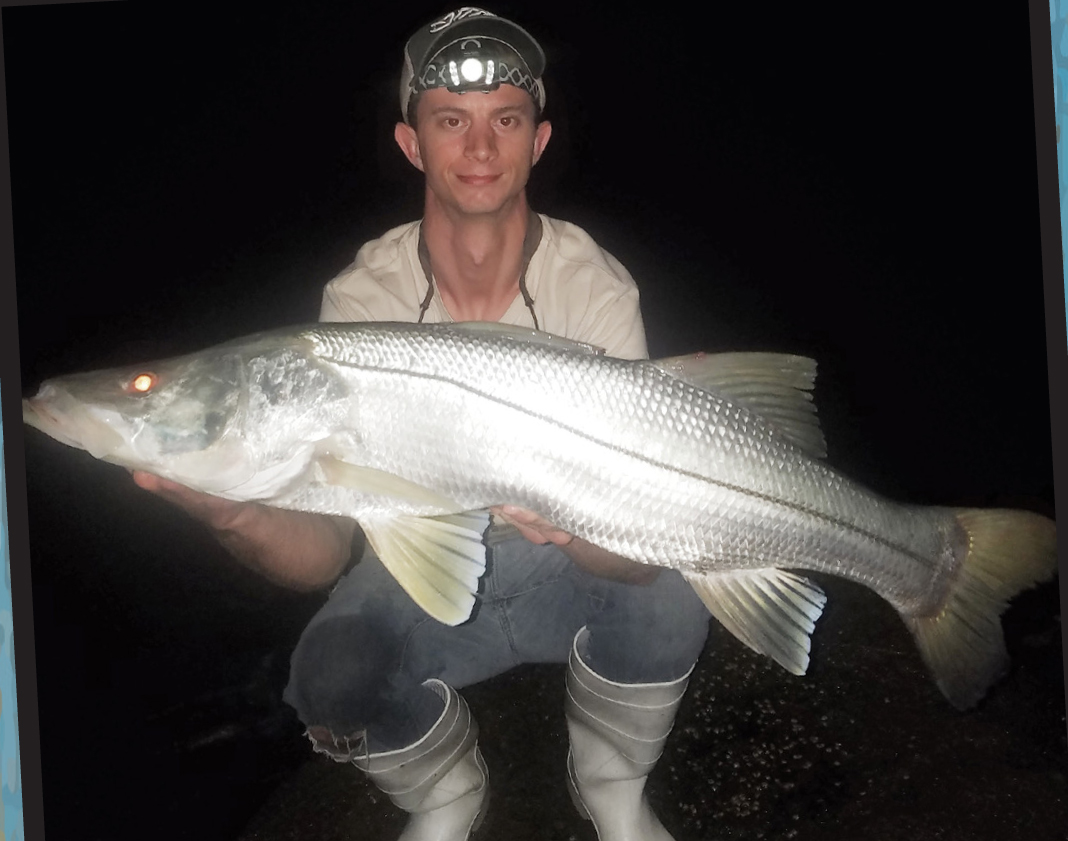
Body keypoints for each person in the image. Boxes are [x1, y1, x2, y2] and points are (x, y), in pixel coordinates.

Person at [133, 9, 711, 841]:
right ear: (412, 144)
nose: (480, 148)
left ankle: (611, 783)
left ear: (538, 141)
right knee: (327, 674)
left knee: (670, 602)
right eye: (451, 121)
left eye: (505, 120)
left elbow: (625, 548)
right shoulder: (358, 304)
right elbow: (326, 553)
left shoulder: (596, 287)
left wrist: (576, 527)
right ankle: (445, 795)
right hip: (419, 564)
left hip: (562, 571)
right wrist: (235, 511)